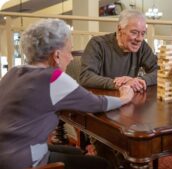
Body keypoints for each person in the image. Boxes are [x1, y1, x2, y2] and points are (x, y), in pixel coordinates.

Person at [0, 19, 134, 169]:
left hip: (5, 154)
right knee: (101, 164)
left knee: (75, 152)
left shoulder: (13, 72)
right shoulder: (53, 78)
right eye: (69, 51)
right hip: (25, 162)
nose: (71, 58)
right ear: (57, 56)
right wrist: (124, 98)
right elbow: (97, 103)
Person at [80, 9, 157, 92]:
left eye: (143, 33)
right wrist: (119, 84)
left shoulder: (142, 46)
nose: (139, 39)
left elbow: (159, 72)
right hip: (101, 100)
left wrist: (141, 80)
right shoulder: (97, 44)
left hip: (129, 99)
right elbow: (86, 76)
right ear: (119, 30)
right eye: (134, 32)